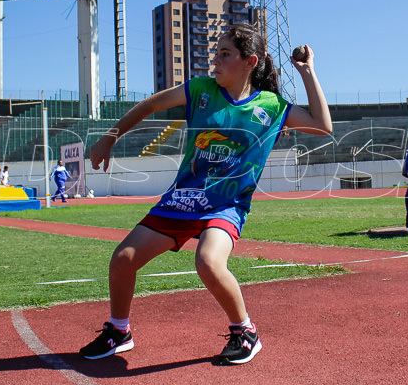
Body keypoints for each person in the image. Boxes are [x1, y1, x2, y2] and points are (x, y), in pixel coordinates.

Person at [79, 24, 331, 365]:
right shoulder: (199, 90)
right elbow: (149, 106)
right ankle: (119, 331)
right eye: (216, 53)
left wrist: (307, 73)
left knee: (209, 261)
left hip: (226, 205)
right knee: (123, 259)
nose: (215, 61)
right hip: (182, 200)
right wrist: (109, 137)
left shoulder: (271, 107)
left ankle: (245, 332)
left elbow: (322, 125)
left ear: (249, 61)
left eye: (225, 55)